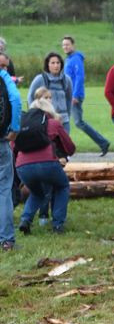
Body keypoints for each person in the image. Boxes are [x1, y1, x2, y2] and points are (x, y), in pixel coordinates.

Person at [15, 95, 75, 235]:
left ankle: (25, 220)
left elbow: (13, 146)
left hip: (23, 166)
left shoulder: (22, 124)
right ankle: (58, 225)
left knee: (37, 193)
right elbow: (70, 147)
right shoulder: (53, 123)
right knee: (62, 186)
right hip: (47, 164)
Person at [61, 35, 110, 155]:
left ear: (73, 45)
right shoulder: (68, 59)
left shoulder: (76, 59)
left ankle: (103, 142)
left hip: (74, 96)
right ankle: (62, 148)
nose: (65, 47)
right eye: (63, 45)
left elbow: (79, 77)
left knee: (78, 122)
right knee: (64, 121)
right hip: (67, 95)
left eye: (67, 44)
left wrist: (75, 95)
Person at [0, 61, 22, 251]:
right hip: (1, 142)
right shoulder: (4, 78)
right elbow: (15, 99)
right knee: (4, 191)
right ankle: (7, 240)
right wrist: (14, 128)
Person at [28, 53, 73, 130]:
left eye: (58, 63)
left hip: (63, 120)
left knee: (65, 141)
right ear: (47, 65)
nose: (56, 65)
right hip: (46, 121)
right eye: (53, 63)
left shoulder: (67, 80)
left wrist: (67, 116)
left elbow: (69, 99)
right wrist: (34, 116)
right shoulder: (40, 79)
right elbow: (31, 97)